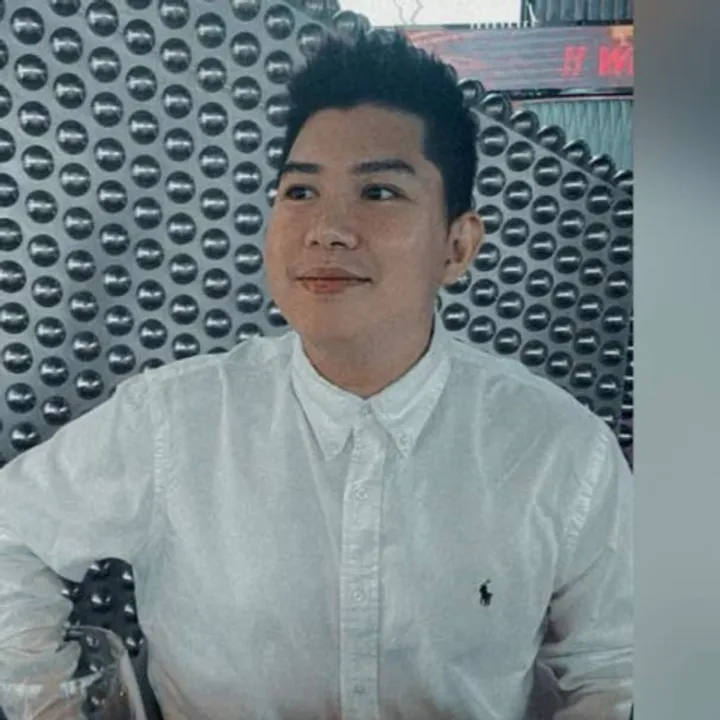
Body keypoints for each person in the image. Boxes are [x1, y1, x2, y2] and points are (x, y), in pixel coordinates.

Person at [0, 30, 633, 720]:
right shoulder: (172, 421)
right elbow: (12, 535)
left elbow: (621, 662)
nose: (327, 228)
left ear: (458, 245)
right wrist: (49, 704)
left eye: (379, 191)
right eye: (300, 190)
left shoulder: (558, 448)